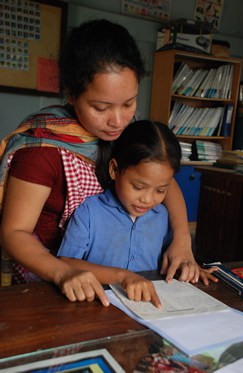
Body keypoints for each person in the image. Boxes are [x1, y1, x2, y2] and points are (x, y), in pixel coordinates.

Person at [0, 19, 216, 305]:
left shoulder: (129, 132)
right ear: (71, 94)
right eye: (101, 108)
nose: (118, 120)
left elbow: (166, 185)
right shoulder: (43, 148)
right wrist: (63, 272)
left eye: (128, 103)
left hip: (113, 285)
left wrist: (182, 240)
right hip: (48, 283)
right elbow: (14, 232)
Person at [58, 120, 182, 308]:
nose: (148, 199)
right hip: (97, 305)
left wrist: (186, 267)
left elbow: (171, 260)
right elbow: (66, 262)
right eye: (138, 187)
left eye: (160, 190)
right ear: (114, 170)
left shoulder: (162, 215)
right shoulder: (90, 212)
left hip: (149, 307)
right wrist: (122, 276)